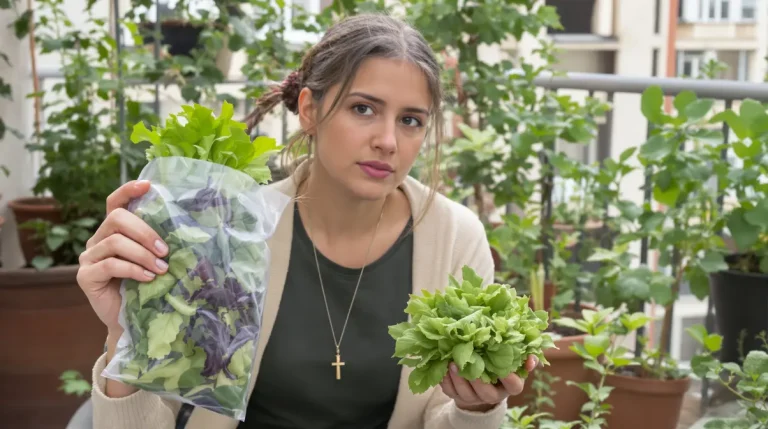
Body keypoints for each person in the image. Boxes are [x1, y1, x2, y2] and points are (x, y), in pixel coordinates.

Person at [77, 13, 537, 429]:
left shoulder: (454, 238)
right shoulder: (230, 229)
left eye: (411, 120)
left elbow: (445, 416)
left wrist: (477, 408)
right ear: (310, 110)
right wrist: (125, 334)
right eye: (363, 108)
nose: (388, 140)